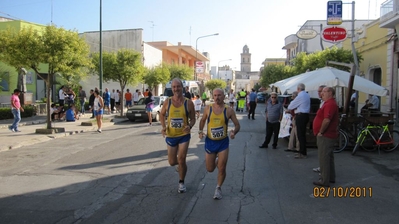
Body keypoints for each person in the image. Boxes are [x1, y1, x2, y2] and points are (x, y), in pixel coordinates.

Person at [198, 88, 240, 199]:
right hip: (210, 142)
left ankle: (218, 188)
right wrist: (200, 131)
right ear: (213, 96)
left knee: (222, 168)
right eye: (215, 95)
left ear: (224, 96)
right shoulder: (208, 108)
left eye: (219, 95)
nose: (217, 97)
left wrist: (233, 132)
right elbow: (202, 120)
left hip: (223, 142)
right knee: (210, 169)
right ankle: (216, 160)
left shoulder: (229, 110)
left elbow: (237, 125)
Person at [159, 78, 196, 194]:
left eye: (178, 86)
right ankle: (181, 166)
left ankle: (181, 182)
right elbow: (162, 114)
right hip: (171, 135)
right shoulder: (168, 102)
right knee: (172, 162)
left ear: (182, 87)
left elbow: (193, 118)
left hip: (184, 135)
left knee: (181, 158)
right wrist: (164, 126)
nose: (176, 89)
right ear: (172, 88)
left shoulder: (188, 103)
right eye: (174, 87)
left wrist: (189, 126)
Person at [313, 87, 338, 187]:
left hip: (326, 135)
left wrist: (321, 132)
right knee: (329, 157)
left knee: (324, 158)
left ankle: (324, 180)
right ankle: (330, 177)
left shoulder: (330, 104)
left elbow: (327, 120)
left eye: (323, 92)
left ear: (330, 93)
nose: (321, 94)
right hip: (328, 134)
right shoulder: (328, 103)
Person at [287, 83, 310, 159]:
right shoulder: (306, 95)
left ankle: (302, 152)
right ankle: (302, 151)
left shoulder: (300, 96)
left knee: (300, 135)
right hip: (306, 115)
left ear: (298, 89)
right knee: (302, 134)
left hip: (301, 116)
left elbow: (291, 106)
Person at [313, 85, 326, 172]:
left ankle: (324, 171)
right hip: (320, 131)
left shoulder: (327, 103)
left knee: (323, 153)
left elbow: (326, 119)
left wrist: (321, 131)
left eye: (320, 91)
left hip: (323, 132)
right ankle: (322, 168)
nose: (319, 93)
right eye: (318, 91)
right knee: (321, 152)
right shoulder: (322, 102)